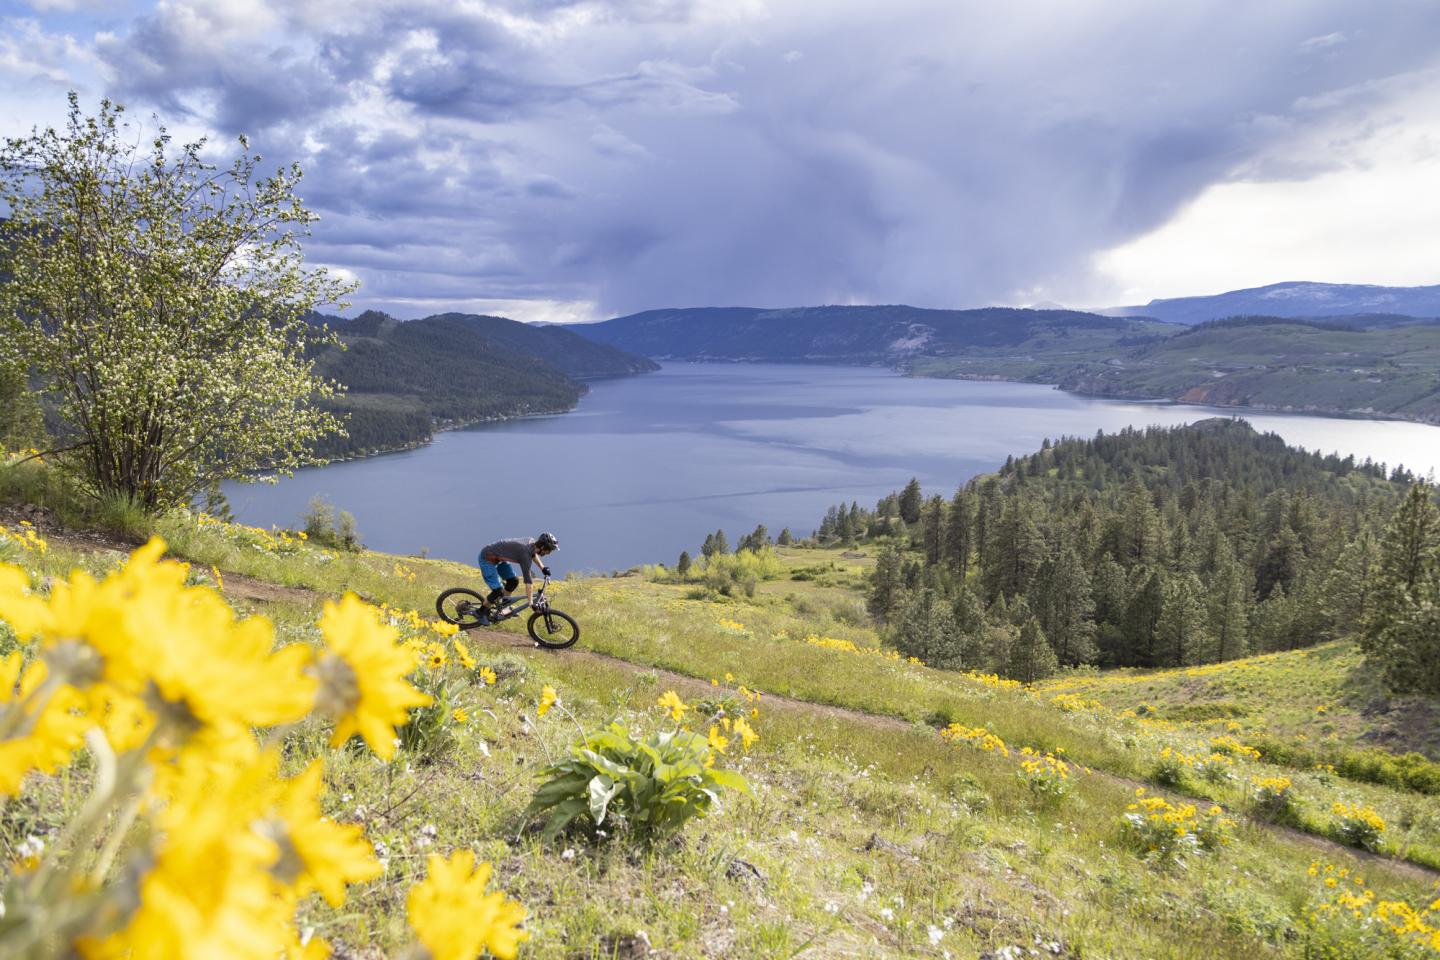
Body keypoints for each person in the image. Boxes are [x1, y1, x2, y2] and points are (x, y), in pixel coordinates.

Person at [476, 532, 558, 624]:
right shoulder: (525, 554)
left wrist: (543, 568)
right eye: (549, 550)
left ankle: (504, 606)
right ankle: (480, 612)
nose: (549, 553)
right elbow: (528, 582)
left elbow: (533, 554)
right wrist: (531, 603)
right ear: (542, 547)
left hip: (498, 559)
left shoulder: (531, 543)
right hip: (487, 558)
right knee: (498, 591)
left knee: (513, 581)